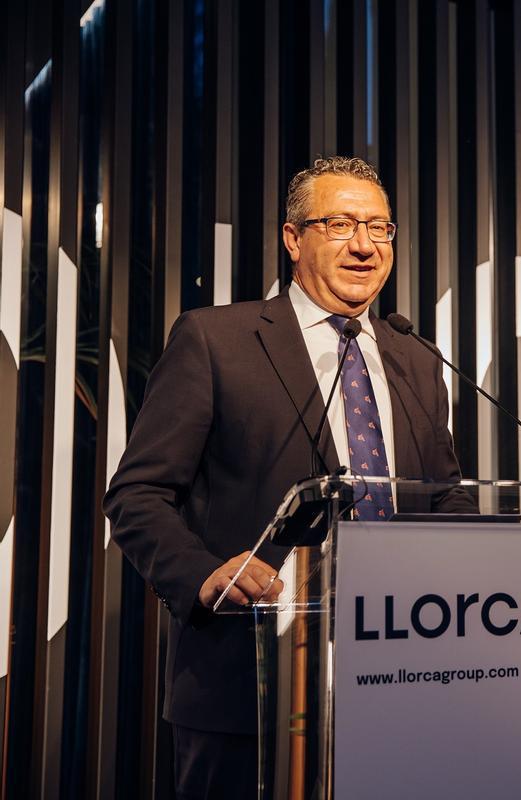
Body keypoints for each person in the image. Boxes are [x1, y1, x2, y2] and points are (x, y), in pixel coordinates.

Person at [103, 156, 472, 799]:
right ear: (293, 238)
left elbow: (442, 500)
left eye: (380, 228)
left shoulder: (415, 358)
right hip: (247, 687)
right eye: (340, 225)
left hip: (403, 679)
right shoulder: (217, 340)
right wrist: (204, 573)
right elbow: (138, 494)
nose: (365, 245)